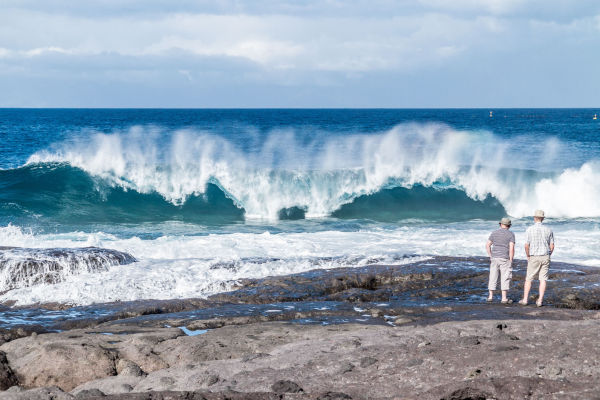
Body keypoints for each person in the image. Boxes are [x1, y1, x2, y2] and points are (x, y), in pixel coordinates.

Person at [519, 209, 554, 307]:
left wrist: (528, 255)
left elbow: (526, 245)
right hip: (545, 255)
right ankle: (540, 301)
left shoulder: (529, 229)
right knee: (543, 279)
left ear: (534, 218)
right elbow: (552, 246)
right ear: (542, 219)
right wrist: (549, 255)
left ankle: (525, 300)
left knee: (529, 279)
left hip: (534, 256)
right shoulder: (549, 230)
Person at [486, 217, 515, 303]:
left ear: (500, 224)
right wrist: (511, 259)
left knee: (493, 276)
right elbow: (511, 248)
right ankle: (504, 298)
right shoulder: (511, 234)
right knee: (505, 277)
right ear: (509, 226)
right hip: (504, 258)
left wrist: (490, 256)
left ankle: (490, 296)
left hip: (494, 258)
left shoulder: (494, 233)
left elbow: (487, 245)